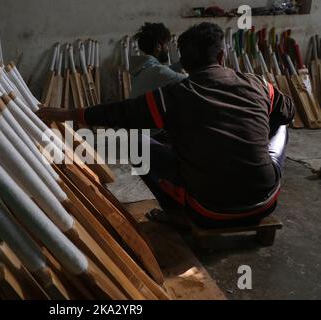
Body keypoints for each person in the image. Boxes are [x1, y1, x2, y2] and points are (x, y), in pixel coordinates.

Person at [37, 22, 295, 229]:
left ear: (182, 62)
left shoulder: (173, 95)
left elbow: (118, 113)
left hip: (208, 211)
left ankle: (175, 214)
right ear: (221, 55)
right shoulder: (259, 84)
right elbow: (289, 112)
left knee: (134, 142)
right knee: (281, 125)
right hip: (264, 203)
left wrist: (67, 113)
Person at [130, 22, 186, 98]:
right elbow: (191, 81)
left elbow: (165, 70)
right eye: (166, 44)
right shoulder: (159, 72)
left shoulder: (142, 69)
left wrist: (183, 63)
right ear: (158, 46)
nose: (167, 49)